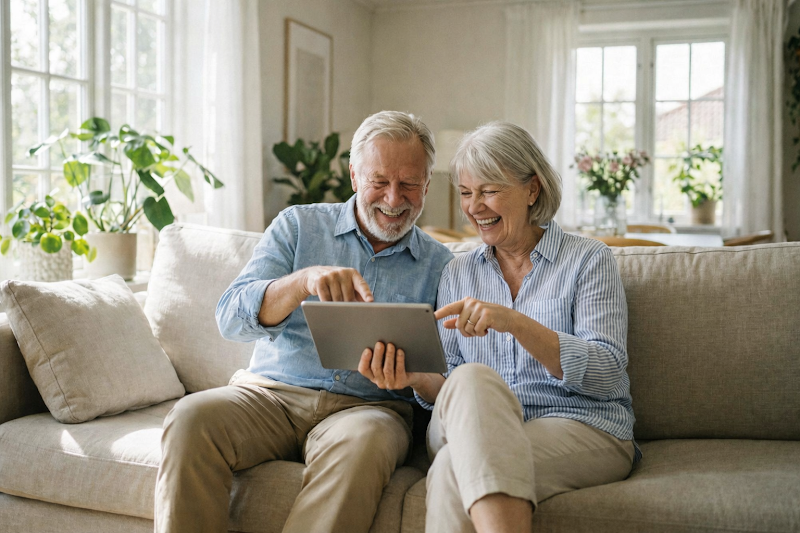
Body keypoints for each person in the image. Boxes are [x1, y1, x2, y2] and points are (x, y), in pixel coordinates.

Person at [154, 111, 453, 533]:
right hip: (270, 397)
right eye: (379, 181)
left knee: (365, 443)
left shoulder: (444, 267)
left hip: (369, 410)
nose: (392, 199)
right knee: (190, 418)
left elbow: (450, 382)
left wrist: (414, 378)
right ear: (354, 175)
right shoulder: (298, 226)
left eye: (408, 184)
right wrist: (299, 282)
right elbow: (230, 318)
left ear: (427, 184)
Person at [359, 121, 639, 533]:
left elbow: (609, 372)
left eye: (489, 191)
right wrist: (416, 378)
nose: (475, 207)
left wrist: (514, 322)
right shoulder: (457, 274)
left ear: (532, 189)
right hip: (470, 426)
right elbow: (448, 387)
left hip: (577, 424)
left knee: (454, 470)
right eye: (467, 194)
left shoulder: (588, 260)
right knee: (470, 378)